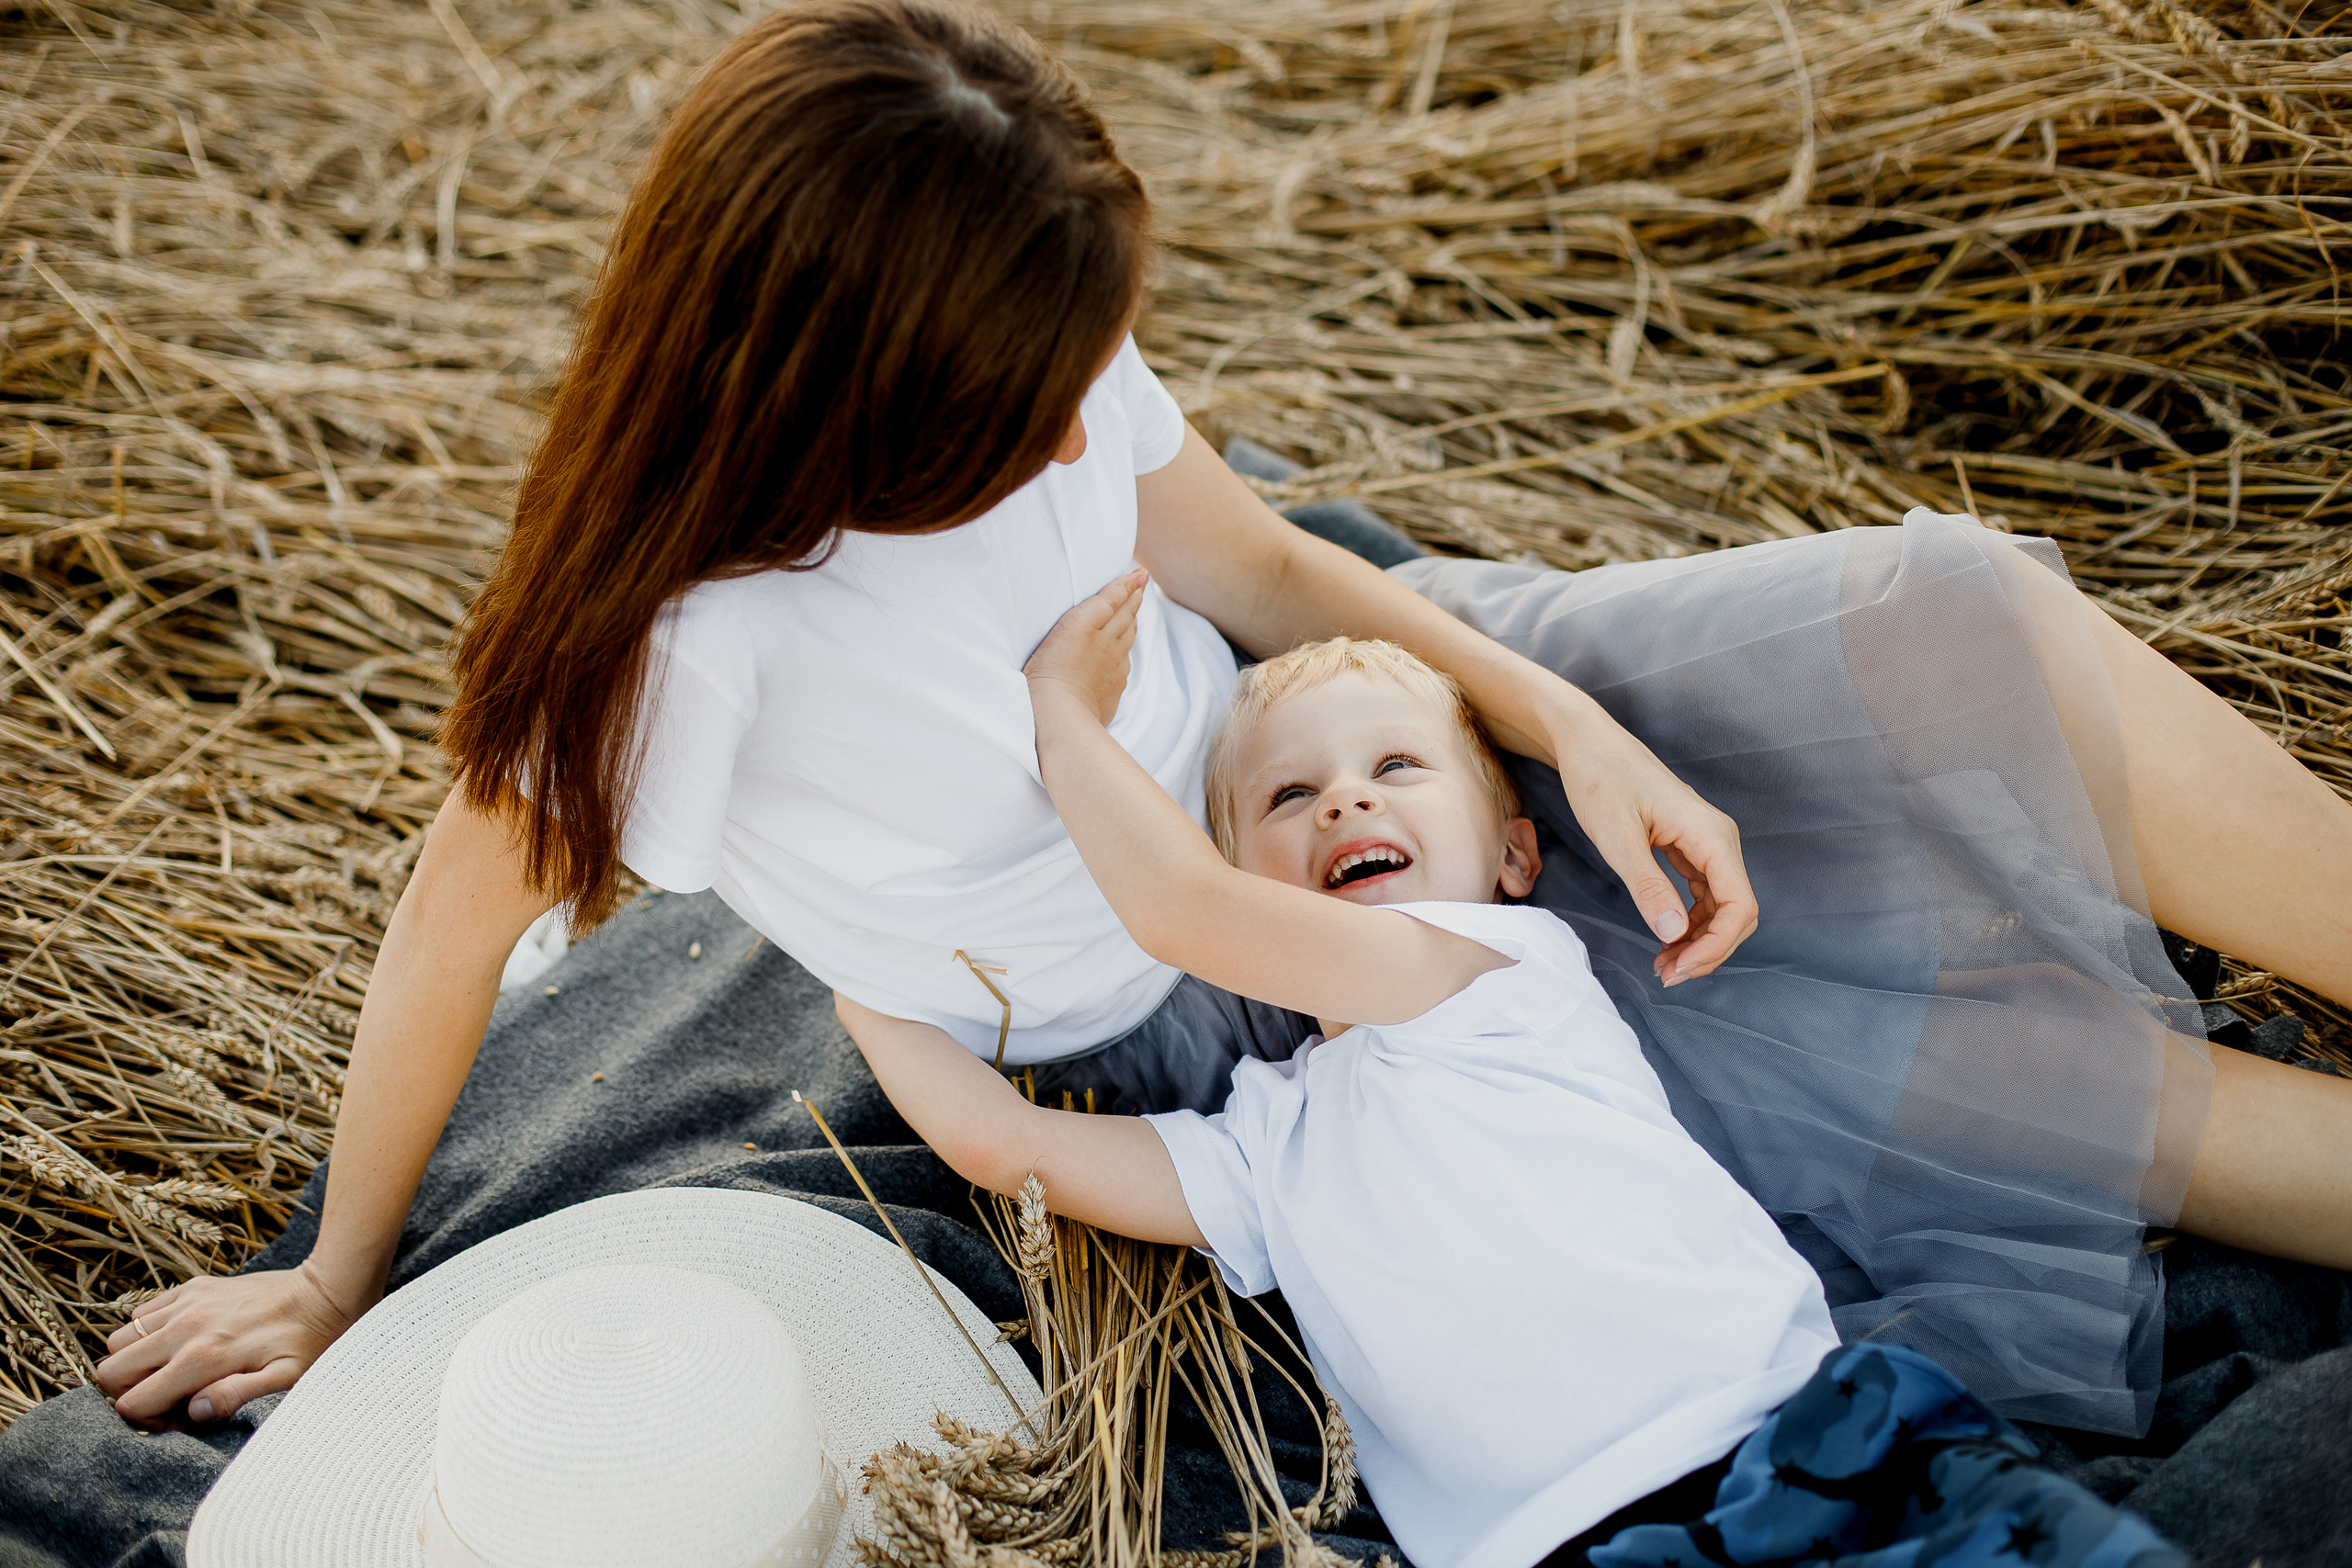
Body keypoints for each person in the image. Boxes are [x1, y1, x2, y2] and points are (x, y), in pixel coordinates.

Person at [94, 0, 2350, 1438]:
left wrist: (1565, 724)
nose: (1073, 418)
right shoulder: (672, 652)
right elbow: (439, 937)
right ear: (840, 398)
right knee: (1993, 1092)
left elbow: (1264, 566)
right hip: (1248, 960)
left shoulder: (1024, 335)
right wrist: (330, 1264)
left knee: (1960, 613)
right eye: (1021, 404)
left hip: (1346, 712)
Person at [839, 600, 2185, 1568]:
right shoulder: (1261, 1146)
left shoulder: (1495, 975)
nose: (1344, 807)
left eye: (1396, 769)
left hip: (1804, 1445)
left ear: (1515, 861)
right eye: (1289, 796)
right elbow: (1003, 1143)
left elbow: (1183, 914)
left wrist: (1062, 720)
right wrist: (865, 973)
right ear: (1256, 871)